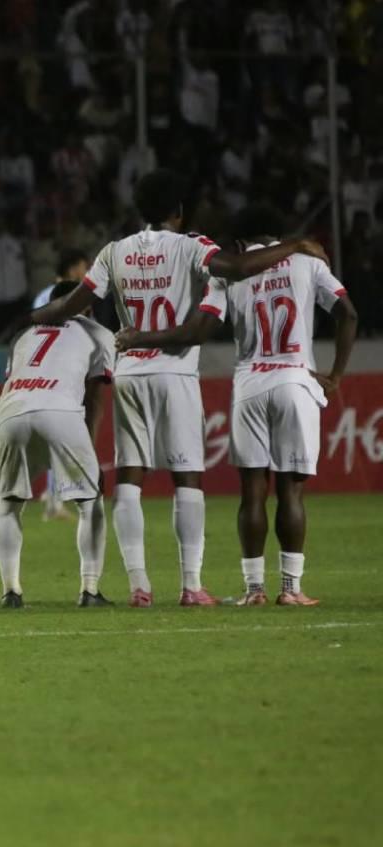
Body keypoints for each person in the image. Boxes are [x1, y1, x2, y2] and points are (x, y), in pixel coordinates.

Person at [34, 168, 328, 608]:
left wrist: (36, 319)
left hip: (130, 370)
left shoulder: (114, 252)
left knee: (129, 478)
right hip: (175, 373)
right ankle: (191, 586)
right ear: (179, 211)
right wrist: (297, 245)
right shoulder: (194, 246)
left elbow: (75, 302)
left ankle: (139, 587)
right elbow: (241, 266)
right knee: (186, 476)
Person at [116, 205, 357, 606]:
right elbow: (347, 313)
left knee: (252, 492)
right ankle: (291, 588)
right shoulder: (307, 262)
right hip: (295, 378)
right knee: (290, 491)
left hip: (248, 383)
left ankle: (253, 590)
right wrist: (335, 375)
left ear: (242, 242)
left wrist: (141, 336)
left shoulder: (228, 275)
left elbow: (204, 327)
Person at [0, 280, 114, 609]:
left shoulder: (24, 335)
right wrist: (89, 449)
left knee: (9, 503)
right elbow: (94, 398)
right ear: (84, 305)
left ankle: (11, 592)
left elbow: (13, 375)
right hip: (60, 410)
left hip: (11, 413)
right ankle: (89, 590)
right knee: (90, 501)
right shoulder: (98, 334)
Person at [31, 248, 91, 521]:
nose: (86, 271)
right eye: (83, 266)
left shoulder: (41, 296)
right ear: (72, 268)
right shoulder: (71, 297)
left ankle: (52, 494)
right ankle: (54, 498)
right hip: (60, 375)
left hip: (42, 375)